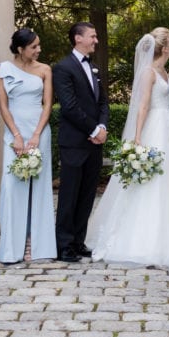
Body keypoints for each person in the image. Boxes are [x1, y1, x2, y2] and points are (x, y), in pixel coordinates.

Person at [86, 28, 169, 266]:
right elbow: (143, 105)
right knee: (153, 180)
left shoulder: (166, 71)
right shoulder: (148, 72)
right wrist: (137, 137)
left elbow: (167, 92)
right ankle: (144, 240)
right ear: (165, 47)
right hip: (155, 127)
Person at [0, 28, 56, 264]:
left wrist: (36, 135)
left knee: (39, 188)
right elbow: (3, 106)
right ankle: (12, 246)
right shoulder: (4, 69)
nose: (39, 50)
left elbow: (48, 104)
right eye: (34, 46)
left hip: (39, 131)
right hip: (14, 132)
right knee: (12, 188)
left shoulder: (45, 70)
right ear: (20, 49)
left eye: (39, 45)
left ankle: (36, 243)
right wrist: (17, 136)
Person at [53, 22, 110, 262]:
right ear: (78, 38)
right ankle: (64, 245)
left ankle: (78, 241)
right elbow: (69, 106)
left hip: (94, 142)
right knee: (70, 194)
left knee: (88, 195)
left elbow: (103, 103)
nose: (96, 40)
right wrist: (93, 128)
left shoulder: (94, 68)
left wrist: (103, 126)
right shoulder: (63, 68)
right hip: (74, 142)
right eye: (92, 36)